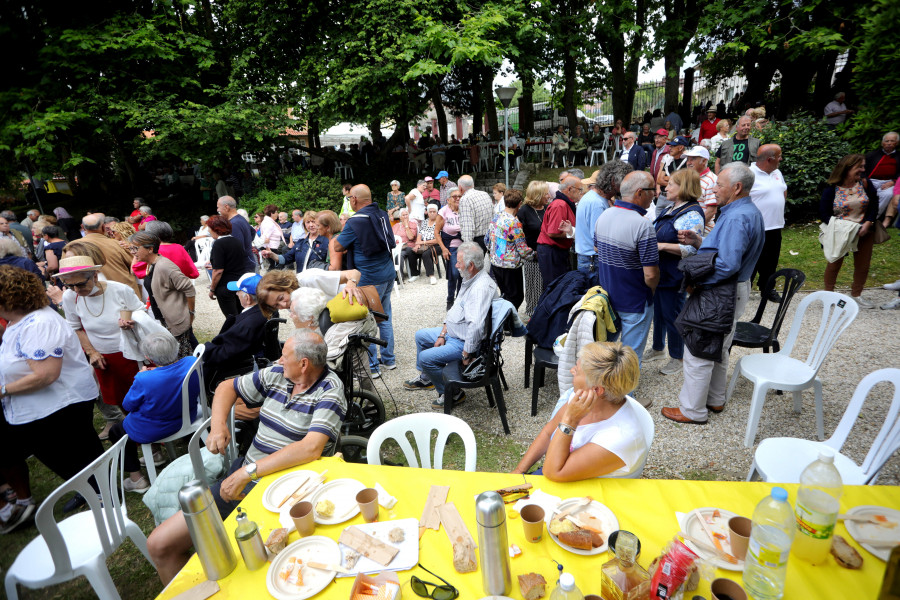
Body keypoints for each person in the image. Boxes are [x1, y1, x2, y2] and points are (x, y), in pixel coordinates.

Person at [146, 330, 345, 584]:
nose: (278, 361)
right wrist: (218, 426)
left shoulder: (330, 389)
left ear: (304, 364)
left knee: (259, 571)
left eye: (284, 357)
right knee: (159, 544)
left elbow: (311, 448)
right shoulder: (278, 375)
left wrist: (247, 472)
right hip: (244, 479)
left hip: (289, 493)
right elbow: (226, 387)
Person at [0, 266, 102, 533]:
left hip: (60, 405)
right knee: (75, 456)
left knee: (76, 454)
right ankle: (92, 493)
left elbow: (46, 375)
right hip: (46, 407)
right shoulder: (18, 321)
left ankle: (101, 499)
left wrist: (3, 390)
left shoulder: (39, 323)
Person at [662, 162, 764, 425]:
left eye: (719, 184)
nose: (713, 189)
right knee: (719, 345)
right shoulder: (745, 211)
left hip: (722, 288)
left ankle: (692, 410)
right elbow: (727, 252)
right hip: (733, 288)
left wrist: (698, 282)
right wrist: (700, 242)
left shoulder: (737, 216)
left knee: (699, 347)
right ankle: (715, 398)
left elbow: (727, 264)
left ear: (737, 187)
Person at [511, 342, 645, 480]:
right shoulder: (581, 398)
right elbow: (548, 432)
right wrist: (519, 471)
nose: (572, 370)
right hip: (561, 469)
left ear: (596, 390)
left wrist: (570, 420)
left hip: (592, 492)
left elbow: (552, 472)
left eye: (577, 370)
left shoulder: (622, 437)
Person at [404, 242, 498, 410]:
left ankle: (453, 392)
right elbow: (455, 310)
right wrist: (442, 333)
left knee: (426, 358)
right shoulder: (470, 278)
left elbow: (475, 326)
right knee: (421, 336)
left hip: (463, 341)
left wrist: (466, 354)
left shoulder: (480, 288)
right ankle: (428, 378)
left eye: (459, 262)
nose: (455, 265)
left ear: (470, 266)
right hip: (453, 333)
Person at [106, 331, 200, 493]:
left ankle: (137, 479)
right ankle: (156, 455)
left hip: (157, 428)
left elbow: (128, 405)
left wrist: (142, 375)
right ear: (176, 349)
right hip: (187, 416)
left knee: (116, 430)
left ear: (149, 358)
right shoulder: (192, 361)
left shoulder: (144, 379)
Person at [57, 254, 145, 409]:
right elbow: (75, 327)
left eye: (81, 284)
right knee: (121, 400)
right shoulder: (70, 297)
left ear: (95, 276)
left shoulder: (119, 289)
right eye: (70, 286)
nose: (76, 290)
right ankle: (131, 427)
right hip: (104, 358)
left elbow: (142, 313)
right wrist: (91, 352)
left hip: (132, 353)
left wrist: (133, 321)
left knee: (144, 395)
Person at [594, 171, 659, 367]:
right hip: (635, 300)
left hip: (607, 297)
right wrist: (652, 291)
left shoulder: (605, 214)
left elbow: (597, 247)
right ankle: (624, 397)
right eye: (652, 190)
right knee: (629, 358)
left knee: (607, 355)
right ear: (640, 192)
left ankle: (606, 394)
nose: (655, 194)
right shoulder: (643, 225)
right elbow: (651, 273)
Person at [645, 169, 705, 376]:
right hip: (663, 272)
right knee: (659, 313)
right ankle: (658, 348)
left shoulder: (691, 213)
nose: (666, 187)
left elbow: (691, 248)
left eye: (671, 184)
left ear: (684, 187)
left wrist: (660, 246)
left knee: (673, 315)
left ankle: (678, 357)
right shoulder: (673, 207)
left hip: (675, 274)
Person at [333, 184, 396, 374]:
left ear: (353, 200)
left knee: (366, 322)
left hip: (368, 278)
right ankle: (389, 360)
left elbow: (337, 247)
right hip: (388, 273)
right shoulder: (383, 214)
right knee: (385, 317)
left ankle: (373, 367)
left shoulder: (355, 221)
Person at [820, 153, 879, 309]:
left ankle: (857, 294)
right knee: (833, 263)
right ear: (847, 168)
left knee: (863, 265)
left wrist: (869, 222)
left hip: (864, 231)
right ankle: (828, 295)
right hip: (840, 233)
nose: (863, 169)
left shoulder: (865, 184)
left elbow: (874, 204)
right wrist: (842, 227)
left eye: (863, 166)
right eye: (859, 167)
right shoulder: (832, 188)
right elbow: (824, 213)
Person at [129, 232, 196, 357]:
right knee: (185, 350)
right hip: (167, 318)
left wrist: (191, 313)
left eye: (135, 248)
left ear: (150, 249)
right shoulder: (150, 264)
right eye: (131, 248)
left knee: (184, 355)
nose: (133, 252)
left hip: (177, 320)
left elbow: (189, 289)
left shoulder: (165, 266)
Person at [202, 273, 266, 388]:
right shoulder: (266, 311)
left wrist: (205, 350)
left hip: (232, 366)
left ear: (247, 298)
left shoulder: (247, 324)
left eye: (239, 291)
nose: (236, 294)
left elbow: (220, 354)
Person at [748, 144, 788, 298]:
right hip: (755, 227)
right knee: (752, 261)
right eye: (779, 156)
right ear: (770, 159)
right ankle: (744, 289)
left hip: (775, 225)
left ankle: (767, 288)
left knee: (771, 261)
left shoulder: (776, 171)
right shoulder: (749, 174)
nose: (781, 159)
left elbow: (783, 190)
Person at [486, 189, 533, 309]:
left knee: (505, 294)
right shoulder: (514, 223)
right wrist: (536, 255)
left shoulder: (496, 217)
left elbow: (487, 239)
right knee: (516, 297)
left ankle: (503, 322)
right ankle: (508, 323)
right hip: (510, 266)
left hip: (496, 262)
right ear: (519, 204)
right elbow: (522, 249)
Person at [80, 213, 143, 298]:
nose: (111, 233)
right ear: (103, 227)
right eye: (108, 229)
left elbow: (137, 265)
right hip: (122, 292)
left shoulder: (73, 247)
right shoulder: (116, 244)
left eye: (113, 230)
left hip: (98, 294)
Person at [537, 175, 582, 285]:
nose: (581, 193)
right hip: (552, 251)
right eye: (579, 189)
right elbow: (553, 232)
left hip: (555, 251)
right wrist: (575, 233)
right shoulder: (560, 204)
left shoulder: (564, 203)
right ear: (570, 189)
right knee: (555, 287)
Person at [205, 215, 246, 318]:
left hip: (225, 286)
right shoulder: (237, 241)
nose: (209, 231)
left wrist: (212, 289)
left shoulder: (218, 243)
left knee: (231, 318)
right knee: (241, 314)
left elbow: (218, 271)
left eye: (209, 228)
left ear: (216, 229)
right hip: (239, 284)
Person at [519, 181, 550, 318]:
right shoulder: (524, 211)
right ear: (538, 195)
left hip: (547, 253)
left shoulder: (548, 208)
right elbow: (519, 236)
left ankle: (544, 312)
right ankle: (532, 313)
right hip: (533, 255)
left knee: (546, 285)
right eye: (546, 193)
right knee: (534, 286)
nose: (549, 196)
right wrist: (529, 253)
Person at [262, 214, 328, 272]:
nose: (311, 225)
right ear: (304, 225)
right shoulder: (300, 243)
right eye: (308, 222)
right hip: (301, 280)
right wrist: (272, 255)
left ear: (319, 223)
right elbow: (286, 258)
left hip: (317, 281)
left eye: (313, 222)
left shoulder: (326, 242)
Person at [436, 187, 464, 310]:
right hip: (451, 247)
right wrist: (443, 249)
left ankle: (459, 299)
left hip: (465, 247)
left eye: (459, 196)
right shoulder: (443, 212)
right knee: (454, 273)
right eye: (455, 196)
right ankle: (450, 298)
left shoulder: (464, 210)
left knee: (464, 274)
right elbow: (437, 232)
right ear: (448, 199)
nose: (458, 198)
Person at [216, 196, 256, 272]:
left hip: (243, 267)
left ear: (226, 207)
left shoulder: (234, 224)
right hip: (248, 262)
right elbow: (253, 232)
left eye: (218, 207)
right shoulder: (240, 218)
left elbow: (237, 250)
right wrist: (248, 244)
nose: (217, 210)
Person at [864, 132, 899, 217]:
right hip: (870, 180)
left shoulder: (899, 156)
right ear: (882, 143)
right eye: (887, 141)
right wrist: (864, 179)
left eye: (892, 141)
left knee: (888, 194)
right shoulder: (872, 155)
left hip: (888, 182)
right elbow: (862, 168)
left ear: (897, 143)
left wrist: (893, 182)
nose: (889, 143)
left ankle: (873, 218)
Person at [458, 174, 494, 254]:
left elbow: (468, 226)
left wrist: (467, 247)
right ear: (473, 184)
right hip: (490, 237)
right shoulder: (485, 194)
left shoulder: (465, 199)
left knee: (473, 266)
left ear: (460, 188)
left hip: (477, 241)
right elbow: (493, 215)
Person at [684, 146, 719, 227]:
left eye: (693, 159)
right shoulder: (688, 176)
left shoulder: (712, 180)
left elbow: (711, 211)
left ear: (704, 161)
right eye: (688, 159)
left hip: (702, 231)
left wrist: (695, 228)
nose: (689, 162)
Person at [656, 136, 690, 214]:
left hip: (675, 198)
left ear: (681, 147)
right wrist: (675, 182)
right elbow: (659, 180)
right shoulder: (669, 160)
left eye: (673, 146)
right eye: (670, 146)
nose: (670, 148)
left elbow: (684, 183)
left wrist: (667, 178)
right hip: (662, 197)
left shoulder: (687, 162)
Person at [409, 206, 441, 284]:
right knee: (411, 252)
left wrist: (423, 243)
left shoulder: (439, 222)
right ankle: (415, 274)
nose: (432, 213)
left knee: (426, 254)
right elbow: (420, 234)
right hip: (424, 245)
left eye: (434, 212)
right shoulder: (425, 222)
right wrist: (417, 244)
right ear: (427, 213)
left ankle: (431, 276)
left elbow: (437, 240)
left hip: (436, 246)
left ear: (437, 213)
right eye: (430, 212)